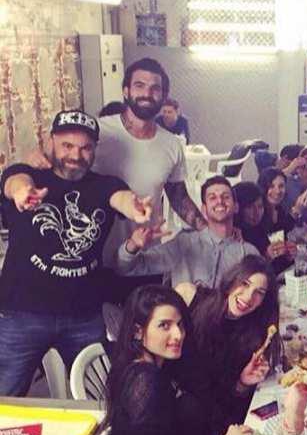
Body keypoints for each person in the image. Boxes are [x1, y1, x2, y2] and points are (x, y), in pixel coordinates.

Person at [0, 110, 153, 395]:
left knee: (101, 396)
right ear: (51, 142)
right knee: (5, 396)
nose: (75, 155)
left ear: (94, 149)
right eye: (67, 146)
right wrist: (22, 192)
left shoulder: (106, 185)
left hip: (83, 316)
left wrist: (134, 207)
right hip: (22, 313)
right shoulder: (29, 175)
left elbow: (120, 198)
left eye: (85, 148)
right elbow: (13, 181)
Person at [26, 58, 206, 259]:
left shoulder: (172, 144)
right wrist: (35, 158)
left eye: (155, 88)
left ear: (164, 96)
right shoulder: (98, 130)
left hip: (144, 254)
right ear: (126, 91)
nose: (147, 94)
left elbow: (178, 197)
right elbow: (54, 159)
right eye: (139, 85)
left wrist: (208, 229)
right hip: (91, 253)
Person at [107, 285, 250, 435]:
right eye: (164, 325)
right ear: (138, 331)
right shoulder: (145, 381)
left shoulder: (163, 366)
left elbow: (184, 432)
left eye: (180, 324)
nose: (178, 334)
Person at [177, 255, 279, 435]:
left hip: (201, 420)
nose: (248, 297)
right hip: (166, 400)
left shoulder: (254, 339)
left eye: (259, 292)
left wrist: (242, 383)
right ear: (233, 279)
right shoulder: (190, 296)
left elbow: (225, 402)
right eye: (245, 283)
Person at [115, 175, 258, 288]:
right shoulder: (184, 243)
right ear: (204, 209)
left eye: (226, 197)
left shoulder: (248, 253)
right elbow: (126, 268)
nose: (219, 201)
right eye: (212, 198)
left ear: (236, 207)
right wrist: (133, 244)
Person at [235, 177, 294, 273]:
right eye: (249, 207)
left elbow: (279, 266)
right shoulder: (237, 235)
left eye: (260, 206)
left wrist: (288, 256)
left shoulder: (265, 227)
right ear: (238, 208)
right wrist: (266, 258)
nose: (256, 212)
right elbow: (244, 275)